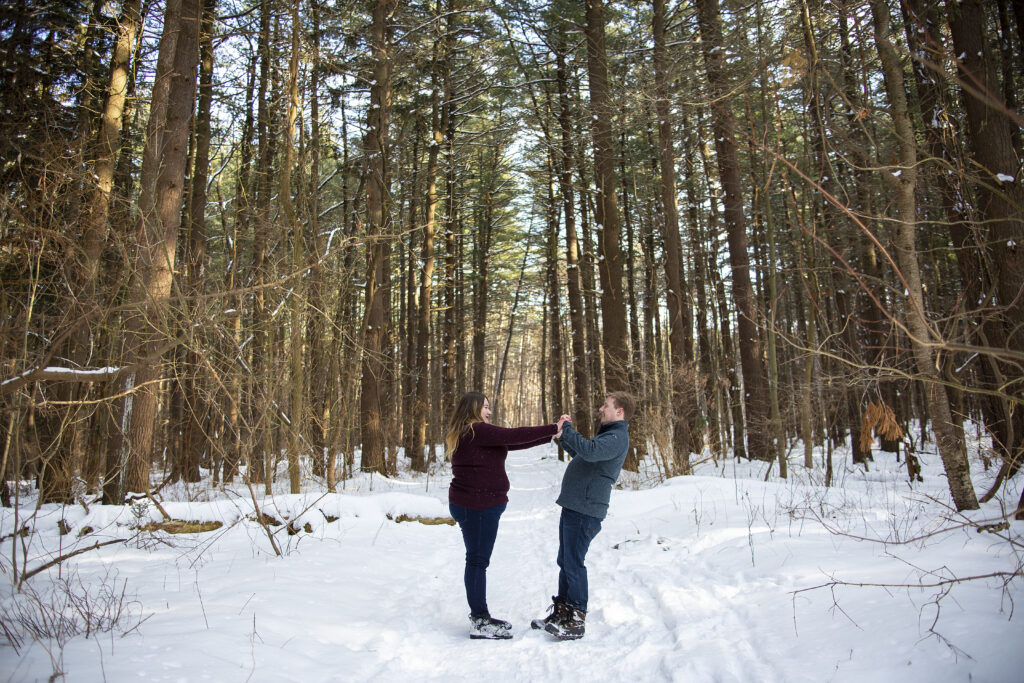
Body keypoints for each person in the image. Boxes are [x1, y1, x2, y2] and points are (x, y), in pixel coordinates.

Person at [446, 391, 568, 640]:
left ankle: (480, 617)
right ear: (472, 409)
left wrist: (551, 435)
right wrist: (552, 427)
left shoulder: (471, 432)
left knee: (476, 560)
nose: (489, 412)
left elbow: (512, 443)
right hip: (477, 506)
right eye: (485, 407)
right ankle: (479, 620)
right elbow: (512, 435)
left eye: (489, 407)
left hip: (474, 504)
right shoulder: (476, 430)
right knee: (477, 562)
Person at [531, 391, 635, 640]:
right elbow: (584, 455)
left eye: (606, 406)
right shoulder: (609, 435)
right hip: (575, 506)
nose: (601, 409)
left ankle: (576, 619)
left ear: (619, 411)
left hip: (586, 510)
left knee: (574, 562)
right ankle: (563, 612)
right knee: (565, 561)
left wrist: (567, 428)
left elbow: (588, 451)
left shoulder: (618, 437)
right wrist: (562, 437)